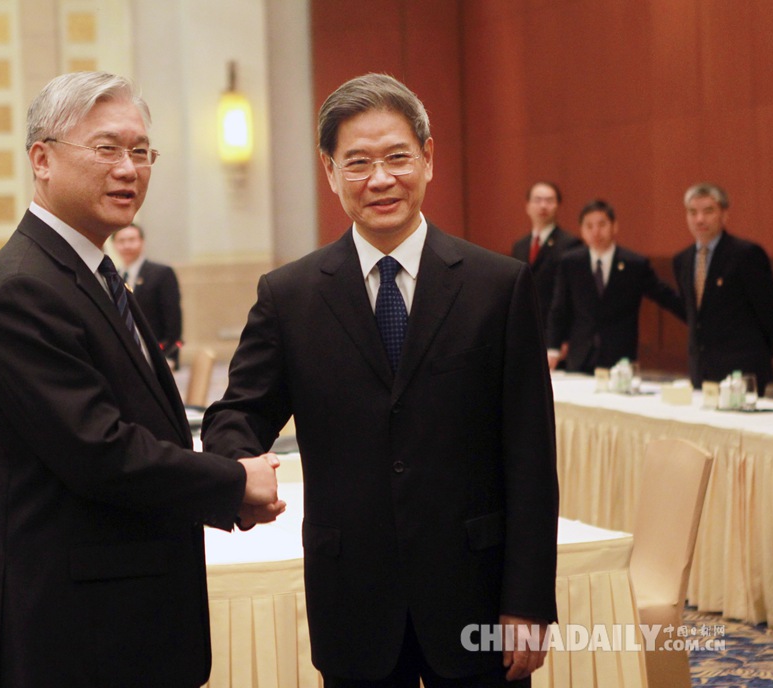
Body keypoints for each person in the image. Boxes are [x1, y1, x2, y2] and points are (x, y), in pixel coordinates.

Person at [202, 73, 558, 687]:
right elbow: (239, 412)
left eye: (397, 157)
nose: (381, 179)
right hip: (353, 600)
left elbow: (531, 457)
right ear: (330, 170)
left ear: (428, 158)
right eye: (359, 162)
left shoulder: (498, 288)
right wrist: (239, 467)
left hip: (475, 596)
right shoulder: (290, 297)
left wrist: (528, 601)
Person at [0, 71, 284, 688]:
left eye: (141, 151)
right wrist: (233, 481)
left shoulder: (90, 272)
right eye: (106, 148)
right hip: (72, 637)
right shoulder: (25, 288)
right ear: (42, 160)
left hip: (119, 625)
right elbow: (100, 452)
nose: (128, 169)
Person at [547, 199, 685, 373]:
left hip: (619, 358)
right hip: (580, 355)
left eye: (602, 225)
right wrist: (553, 347)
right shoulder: (570, 262)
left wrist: (695, 316)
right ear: (581, 230)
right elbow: (559, 308)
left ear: (615, 226)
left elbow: (664, 296)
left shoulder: (634, 264)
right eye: (589, 226)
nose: (596, 232)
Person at [672, 183, 773, 391]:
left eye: (708, 211)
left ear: (724, 214)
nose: (700, 219)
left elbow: (770, 312)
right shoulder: (682, 260)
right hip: (701, 372)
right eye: (692, 212)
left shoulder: (746, 254)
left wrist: (760, 355)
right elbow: (694, 315)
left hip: (742, 370)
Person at [511, 182, 582, 348]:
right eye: (537, 200)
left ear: (558, 206)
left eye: (549, 200)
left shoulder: (570, 244)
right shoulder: (520, 246)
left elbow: (574, 296)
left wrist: (566, 338)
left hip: (556, 333)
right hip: (525, 329)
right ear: (527, 206)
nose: (543, 205)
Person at [111, 222, 183, 368]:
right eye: (121, 241)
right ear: (114, 245)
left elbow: (173, 320)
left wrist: (169, 355)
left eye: (132, 240)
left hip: (158, 356)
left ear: (142, 242)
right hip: (126, 359)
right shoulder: (113, 277)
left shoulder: (162, 273)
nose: (127, 245)